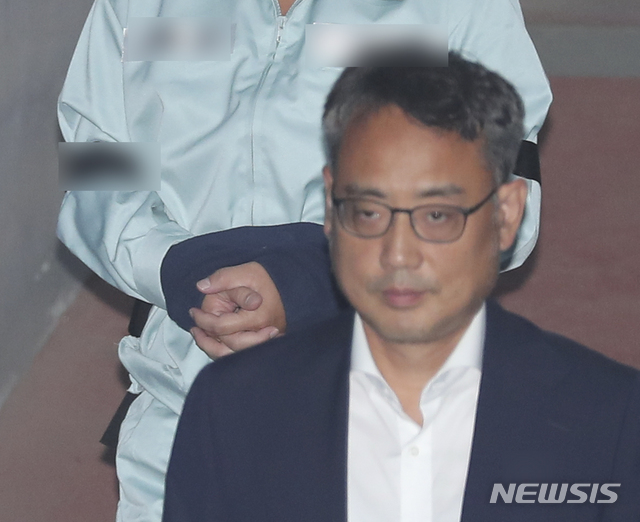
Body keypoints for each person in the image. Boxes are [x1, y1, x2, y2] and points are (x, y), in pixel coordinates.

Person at [56, 0, 551, 521]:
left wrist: (309, 275)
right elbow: (95, 167)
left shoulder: (457, 0)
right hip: (183, 415)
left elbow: (509, 213)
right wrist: (179, 269)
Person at [163, 54, 640, 522]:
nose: (397, 254)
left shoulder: (608, 417)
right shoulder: (235, 408)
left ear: (507, 214)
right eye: (369, 212)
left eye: (437, 216)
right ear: (331, 206)